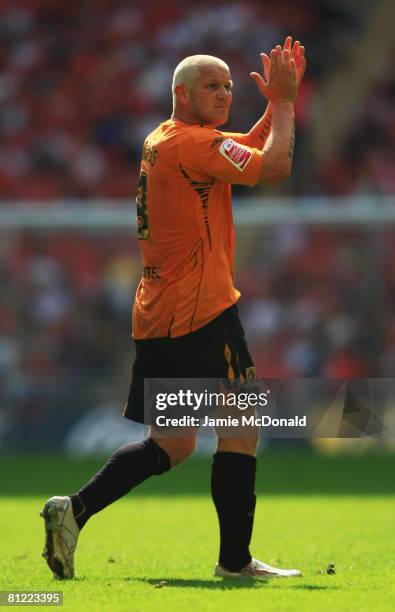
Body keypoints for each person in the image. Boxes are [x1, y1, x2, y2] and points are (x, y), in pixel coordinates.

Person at [41, 36, 306, 580]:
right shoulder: (193, 145)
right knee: (241, 426)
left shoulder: (166, 140)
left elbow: (242, 150)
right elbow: (275, 166)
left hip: (157, 313)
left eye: (230, 86)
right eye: (213, 86)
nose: (225, 93)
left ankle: (75, 510)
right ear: (181, 93)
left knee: (173, 443)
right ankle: (235, 563)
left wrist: (274, 106)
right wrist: (282, 103)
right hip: (201, 310)